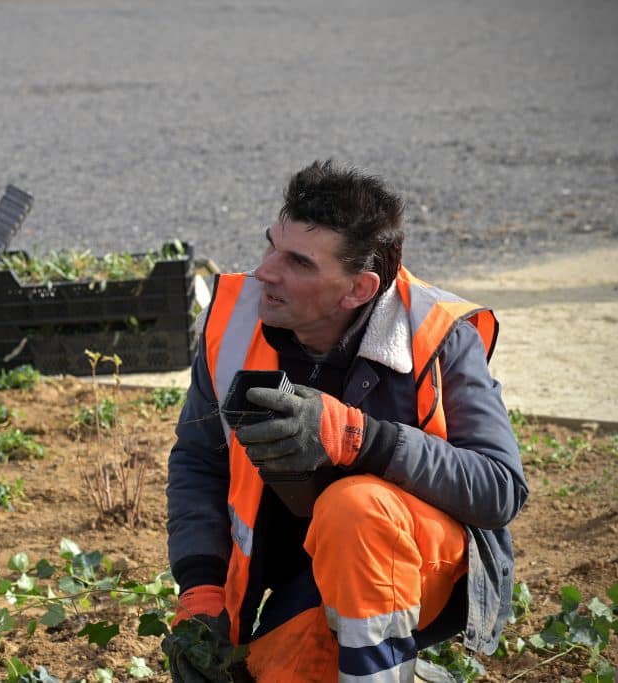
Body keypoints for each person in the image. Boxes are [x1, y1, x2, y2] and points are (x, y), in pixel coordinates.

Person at [163, 160, 529, 682]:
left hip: (418, 567)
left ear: (359, 289)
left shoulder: (438, 335)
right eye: (271, 245)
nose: (266, 270)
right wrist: (200, 591)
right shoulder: (236, 318)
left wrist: (361, 438)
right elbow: (199, 463)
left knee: (353, 509)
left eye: (298, 263)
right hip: (308, 576)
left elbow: (500, 489)